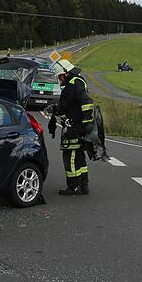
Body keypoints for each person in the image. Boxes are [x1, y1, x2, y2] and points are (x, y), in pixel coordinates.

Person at [49, 59, 94, 196]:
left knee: (71, 157)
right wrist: (55, 109)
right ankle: (83, 185)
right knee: (79, 157)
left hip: (75, 128)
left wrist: (87, 121)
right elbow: (67, 105)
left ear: (66, 73)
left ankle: (73, 187)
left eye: (59, 76)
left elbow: (86, 102)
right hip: (77, 126)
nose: (58, 79)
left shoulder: (75, 83)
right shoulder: (73, 83)